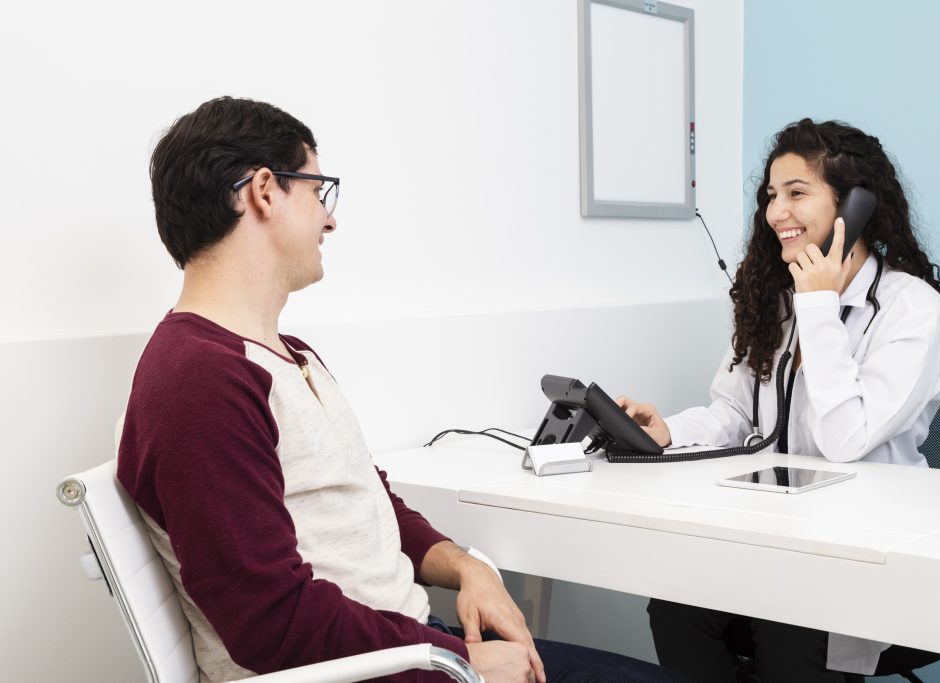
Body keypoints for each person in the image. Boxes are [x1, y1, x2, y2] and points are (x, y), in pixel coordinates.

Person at [117, 96, 688, 683]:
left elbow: (369, 507)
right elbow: (271, 621)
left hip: (417, 653)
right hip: (395, 668)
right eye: (318, 191)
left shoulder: (286, 358)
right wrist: (460, 662)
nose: (330, 219)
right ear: (266, 190)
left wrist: (467, 568)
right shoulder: (199, 381)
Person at [616, 118, 940, 682]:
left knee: (789, 620)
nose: (776, 213)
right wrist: (669, 430)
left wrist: (818, 309)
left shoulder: (911, 310)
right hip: (774, 536)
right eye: (772, 195)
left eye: (797, 193)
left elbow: (844, 440)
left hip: (858, 548)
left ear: (857, 205)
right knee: (676, 604)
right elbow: (735, 413)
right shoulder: (774, 303)